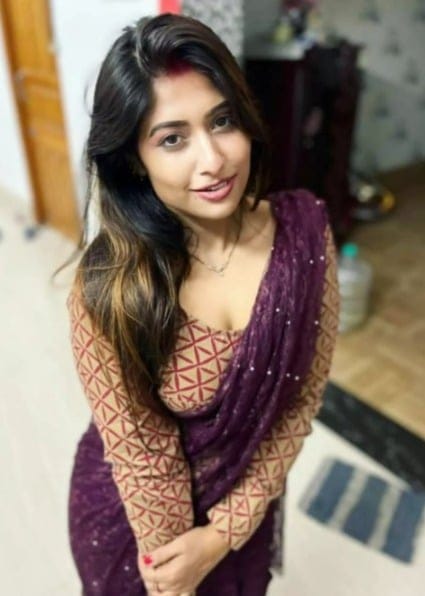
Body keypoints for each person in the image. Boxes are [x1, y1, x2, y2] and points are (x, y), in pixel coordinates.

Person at [65, 12, 340, 596]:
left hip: (239, 516)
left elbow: (301, 402)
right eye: (173, 139)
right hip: (136, 532)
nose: (213, 160)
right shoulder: (112, 286)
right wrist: (176, 575)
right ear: (134, 158)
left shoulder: (305, 236)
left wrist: (225, 532)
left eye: (222, 121)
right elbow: (143, 456)